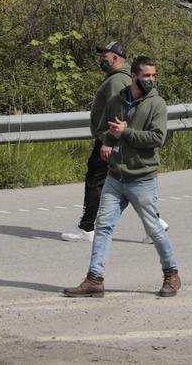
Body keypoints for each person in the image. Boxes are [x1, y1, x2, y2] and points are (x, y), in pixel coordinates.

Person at [64, 55, 180, 298]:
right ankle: (94, 280)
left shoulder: (156, 104)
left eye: (153, 75)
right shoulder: (117, 101)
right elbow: (104, 129)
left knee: (154, 229)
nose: (151, 80)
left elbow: (157, 138)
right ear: (134, 76)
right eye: (146, 76)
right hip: (115, 177)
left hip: (142, 178)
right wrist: (108, 139)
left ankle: (172, 274)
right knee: (103, 227)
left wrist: (126, 133)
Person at [63, 42, 135, 242]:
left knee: (95, 181)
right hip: (114, 137)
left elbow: (119, 111)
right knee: (129, 183)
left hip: (109, 138)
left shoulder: (117, 81)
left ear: (116, 58)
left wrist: (109, 141)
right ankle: (155, 225)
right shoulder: (121, 78)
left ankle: (87, 227)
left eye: (105, 55)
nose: (102, 58)